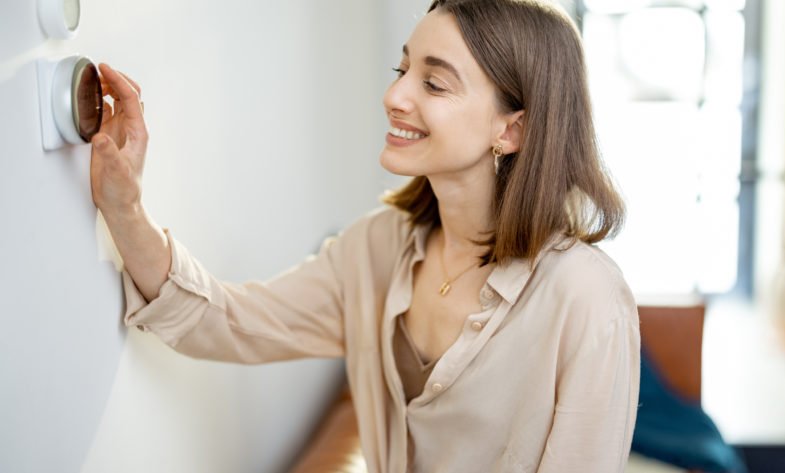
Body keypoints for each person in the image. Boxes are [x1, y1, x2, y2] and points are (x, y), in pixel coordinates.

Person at [90, 0, 640, 471]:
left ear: (511, 129)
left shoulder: (587, 298)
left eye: (433, 82)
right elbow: (225, 323)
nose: (395, 96)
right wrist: (125, 205)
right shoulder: (376, 248)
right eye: (401, 69)